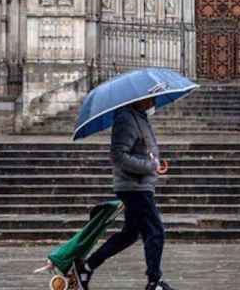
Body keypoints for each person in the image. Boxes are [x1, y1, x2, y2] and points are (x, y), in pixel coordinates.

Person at [75, 97, 175, 290]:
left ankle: (87, 267)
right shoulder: (126, 119)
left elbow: (141, 150)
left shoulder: (140, 117)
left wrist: (153, 164)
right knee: (156, 232)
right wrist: (149, 166)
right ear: (139, 99)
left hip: (140, 185)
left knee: (129, 234)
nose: (154, 101)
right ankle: (154, 282)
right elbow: (119, 155)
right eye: (150, 97)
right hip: (134, 187)